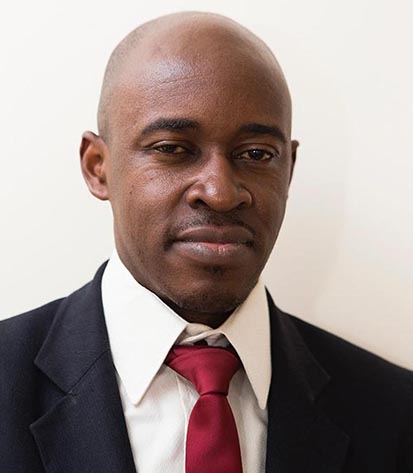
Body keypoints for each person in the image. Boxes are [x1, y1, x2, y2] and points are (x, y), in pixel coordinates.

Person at [1, 11, 412, 473]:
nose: (219, 193)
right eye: (172, 148)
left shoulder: (394, 416)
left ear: (289, 171)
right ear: (98, 166)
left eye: (256, 154)